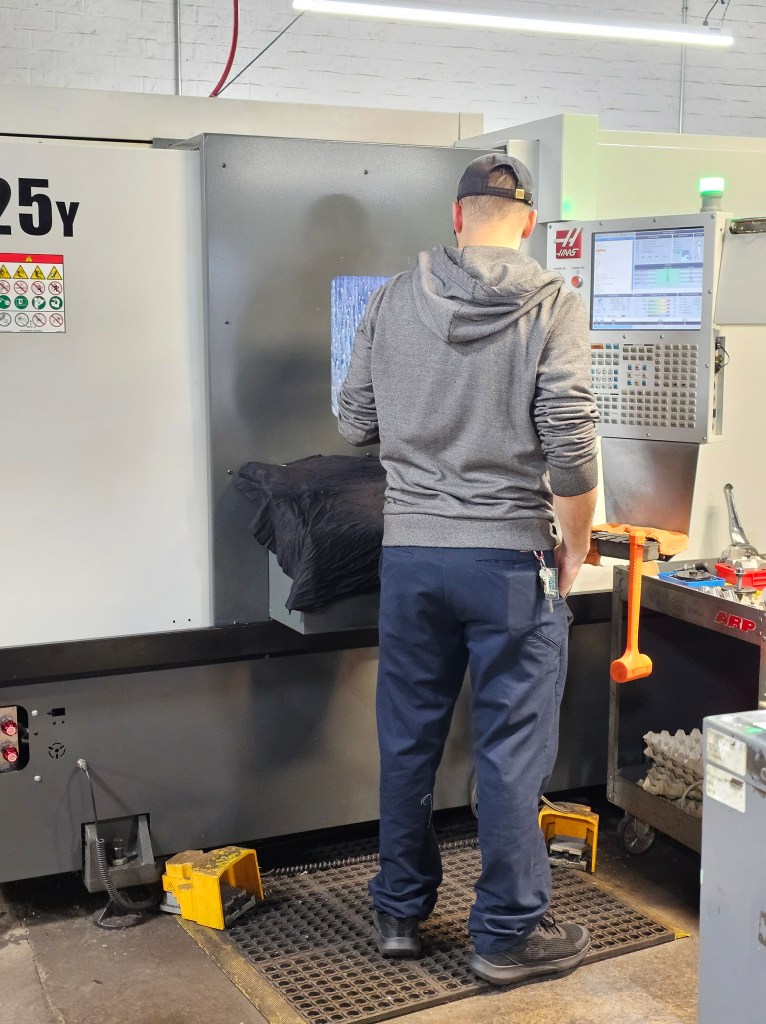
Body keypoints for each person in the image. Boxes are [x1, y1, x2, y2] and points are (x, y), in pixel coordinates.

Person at [337, 153, 598, 986]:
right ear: (527, 221)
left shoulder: (388, 297)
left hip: (412, 556)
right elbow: (570, 438)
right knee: (511, 750)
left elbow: (352, 421)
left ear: (457, 219)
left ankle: (399, 913)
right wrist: (578, 542)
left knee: (407, 740)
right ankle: (506, 935)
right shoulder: (553, 303)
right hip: (509, 559)